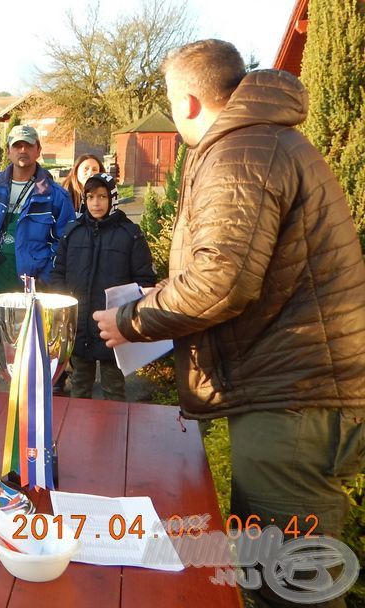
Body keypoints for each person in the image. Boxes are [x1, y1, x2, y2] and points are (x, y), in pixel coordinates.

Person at [94, 39, 365, 608]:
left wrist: (132, 320)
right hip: (293, 391)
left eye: (171, 101)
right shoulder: (260, 141)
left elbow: (222, 282)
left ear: (190, 101)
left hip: (293, 402)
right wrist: (167, 292)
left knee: (287, 586)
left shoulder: (242, 151)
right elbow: (237, 268)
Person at [0, 125, 74, 389]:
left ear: (38, 150)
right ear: (8, 151)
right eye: (17, 146)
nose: (23, 150)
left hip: (32, 283)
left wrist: (47, 277)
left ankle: (23, 416)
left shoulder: (55, 196)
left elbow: (66, 243)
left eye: (28, 145)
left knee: (28, 349)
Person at [48, 173, 155, 401]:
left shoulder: (130, 234)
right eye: (90, 197)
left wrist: (131, 318)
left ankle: (113, 435)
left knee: (113, 390)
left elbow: (144, 282)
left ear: (112, 198)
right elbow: (58, 273)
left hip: (113, 328)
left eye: (102, 197)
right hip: (79, 327)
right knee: (79, 389)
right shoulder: (73, 232)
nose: (96, 203)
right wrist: (64, 308)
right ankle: (78, 435)